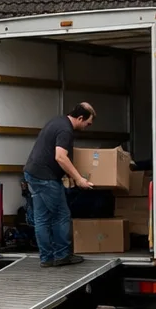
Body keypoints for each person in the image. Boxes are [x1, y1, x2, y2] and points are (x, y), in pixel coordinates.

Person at [22, 102, 96, 267]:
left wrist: (68, 175)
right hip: (45, 178)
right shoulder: (66, 130)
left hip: (33, 173)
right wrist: (78, 179)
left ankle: (46, 258)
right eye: (88, 123)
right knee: (61, 215)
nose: (88, 127)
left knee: (41, 218)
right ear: (80, 118)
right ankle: (62, 255)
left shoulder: (57, 121)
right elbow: (60, 157)